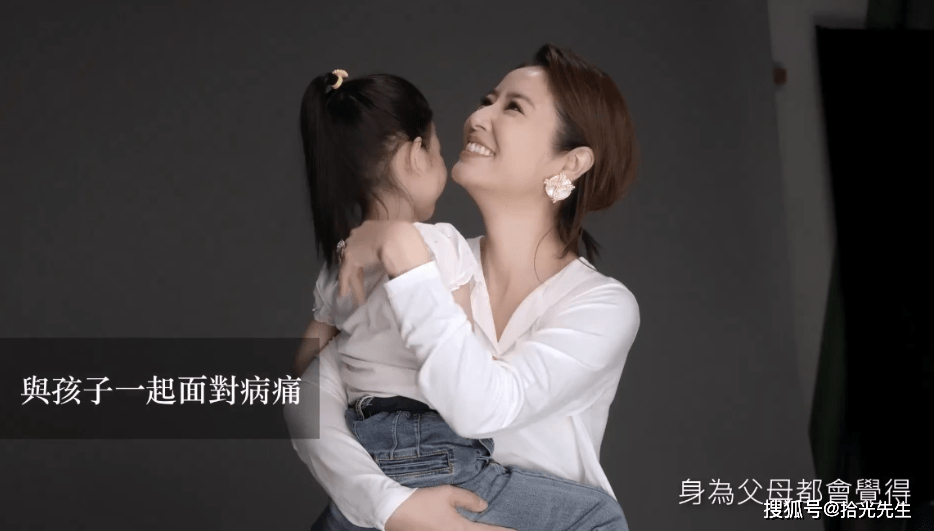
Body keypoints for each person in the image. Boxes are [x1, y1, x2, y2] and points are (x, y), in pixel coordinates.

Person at [287, 43, 641, 531]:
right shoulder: (430, 258)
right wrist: (392, 508)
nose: (478, 117)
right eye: (487, 99)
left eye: (513, 107)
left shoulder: (601, 306)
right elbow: (307, 393)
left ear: (571, 163)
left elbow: (481, 408)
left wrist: (402, 249)